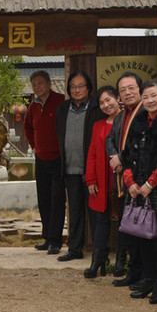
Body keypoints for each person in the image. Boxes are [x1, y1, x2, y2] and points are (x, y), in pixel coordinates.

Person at [120, 80, 157, 304]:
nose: (150, 101)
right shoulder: (139, 122)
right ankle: (147, 278)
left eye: (154, 96)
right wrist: (130, 182)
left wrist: (150, 184)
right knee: (142, 235)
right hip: (137, 188)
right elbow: (126, 156)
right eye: (146, 97)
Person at [56, 70, 104, 262]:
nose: (76, 90)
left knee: (96, 213)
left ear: (88, 88)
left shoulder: (96, 107)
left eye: (80, 86)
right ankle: (75, 249)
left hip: (92, 171)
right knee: (74, 211)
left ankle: (100, 251)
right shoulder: (62, 108)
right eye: (73, 87)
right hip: (69, 169)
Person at [106, 72, 144, 285]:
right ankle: (134, 271)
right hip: (124, 179)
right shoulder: (121, 116)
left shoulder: (145, 112)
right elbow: (110, 139)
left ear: (140, 88)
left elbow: (137, 146)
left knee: (142, 229)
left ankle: (144, 274)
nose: (127, 92)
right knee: (129, 226)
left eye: (131, 88)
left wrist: (121, 158)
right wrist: (114, 157)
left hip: (140, 179)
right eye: (123, 90)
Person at [25, 70, 65, 255]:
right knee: (44, 200)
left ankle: (56, 240)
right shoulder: (33, 106)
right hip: (40, 159)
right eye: (34, 84)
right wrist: (34, 146)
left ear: (49, 83)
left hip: (58, 159)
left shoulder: (61, 101)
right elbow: (27, 128)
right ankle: (47, 237)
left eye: (40, 83)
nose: (37, 87)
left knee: (57, 199)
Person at [84, 85, 121, 278]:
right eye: (102, 102)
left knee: (124, 222)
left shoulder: (127, 120)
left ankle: (122, 262)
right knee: (100, 220)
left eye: (109, 100)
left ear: (117, 98)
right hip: (101, 180)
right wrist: (90, 179)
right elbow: (92, 153)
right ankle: (98, 260)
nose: (106, 105)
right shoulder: (98, 125)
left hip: (122, 180)